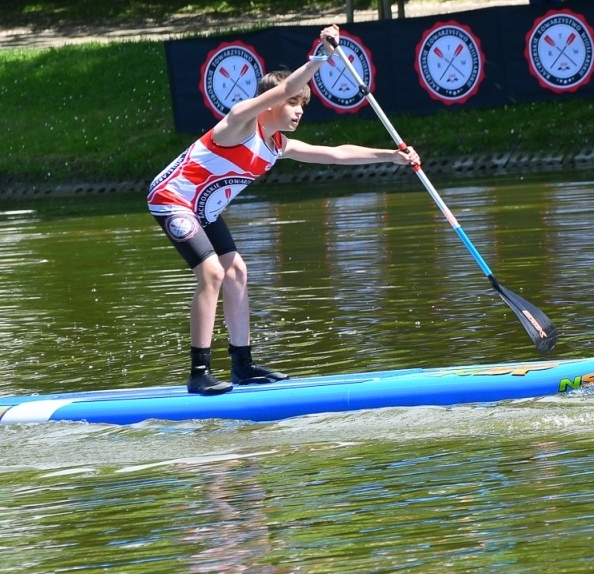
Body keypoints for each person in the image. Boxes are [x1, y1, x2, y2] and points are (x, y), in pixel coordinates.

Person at [148, 26, 421, 395]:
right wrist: (322, 55)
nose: (299, 111)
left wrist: (391, 156)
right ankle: (199, 373)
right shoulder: (239, 121)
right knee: (212, 271)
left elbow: (336, 154)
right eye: (294, 103)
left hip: (203, 209)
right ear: (272, 103)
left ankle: (242, 365)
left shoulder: (277, 145)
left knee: (237, 271)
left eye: (302, 106)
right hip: (172, 198)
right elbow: (287, 85)